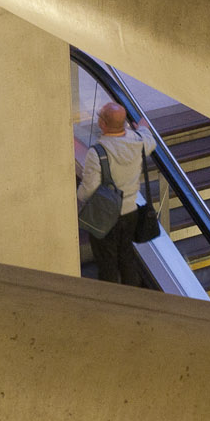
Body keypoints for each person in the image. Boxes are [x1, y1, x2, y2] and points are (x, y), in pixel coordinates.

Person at [76, 102, 155, 287]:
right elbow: (150, 141)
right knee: (126, 256)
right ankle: (133, 295)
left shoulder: (97, 153)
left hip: (105, 216)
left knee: (107, 262)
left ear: (103, 123)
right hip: (131, 212)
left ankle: (111, 300)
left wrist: (79, 199)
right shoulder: (138, 142)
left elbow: (88, 189)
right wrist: (143, 128)